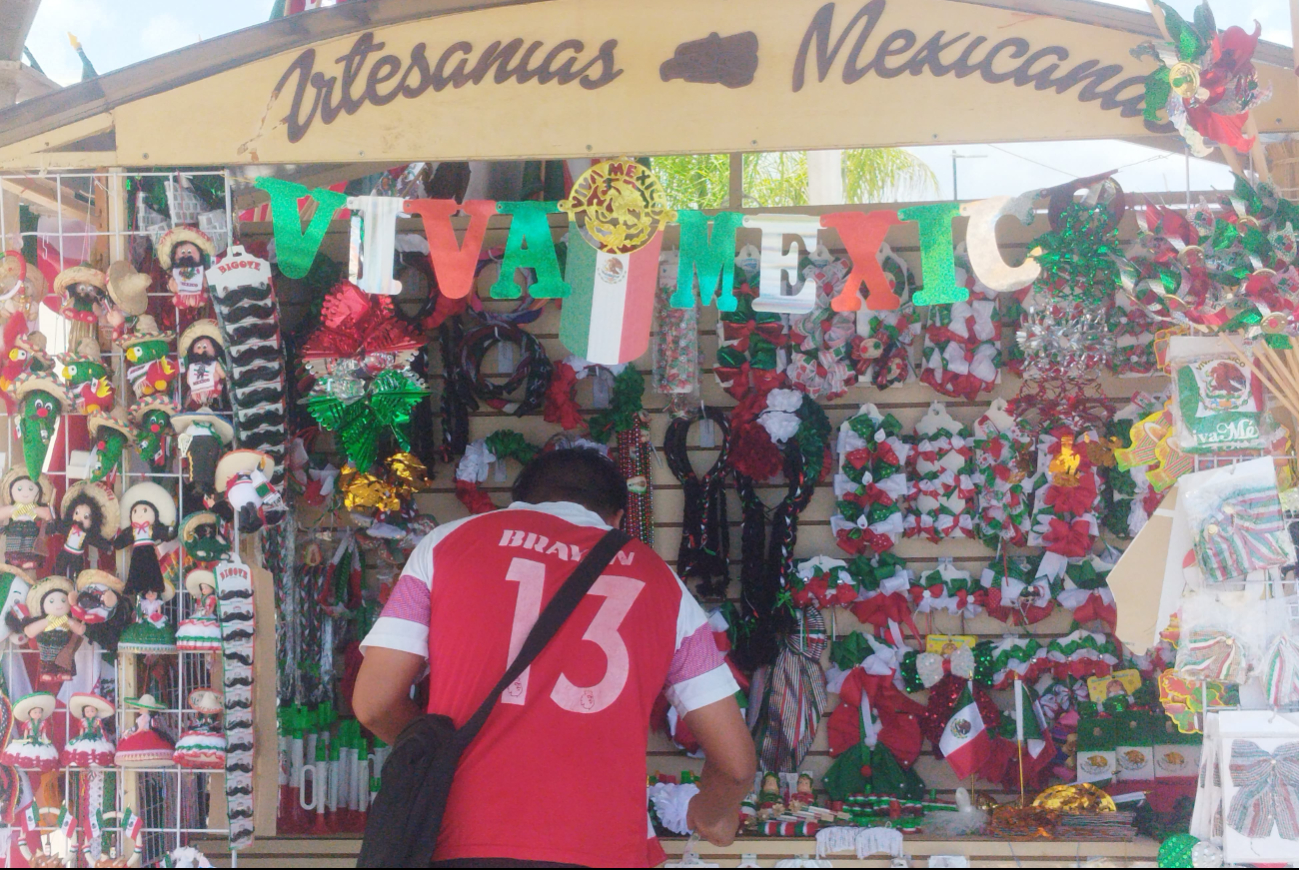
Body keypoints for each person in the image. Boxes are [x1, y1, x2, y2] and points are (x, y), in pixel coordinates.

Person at [354, 448, 755, 868]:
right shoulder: (662, 584)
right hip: (605, 847)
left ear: (521, 500)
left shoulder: (446, 544)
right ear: (617, 517)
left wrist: (437, 760)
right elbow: (736, 765)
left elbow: (375, 704)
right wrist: (713, 815)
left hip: (461, 837)